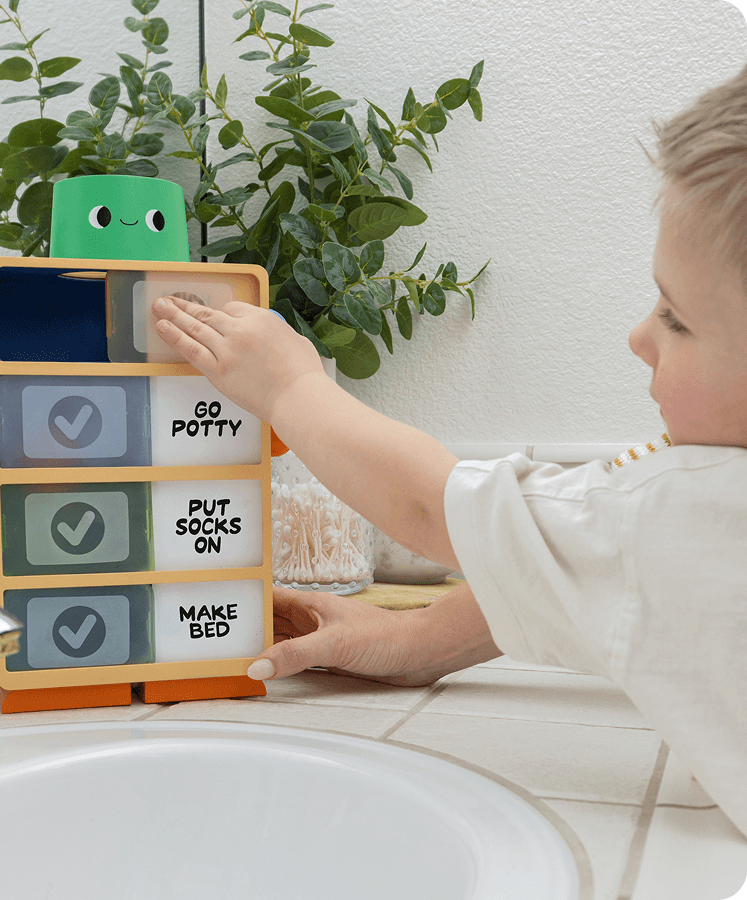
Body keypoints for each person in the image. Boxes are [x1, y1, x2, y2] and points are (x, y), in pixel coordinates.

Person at [151, 64, 747, 837]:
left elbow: (429, 508)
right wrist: (413, 639)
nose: (638, 337)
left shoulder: (698, 509)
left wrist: (289, 386)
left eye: (675, 317)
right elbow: (584, 563)